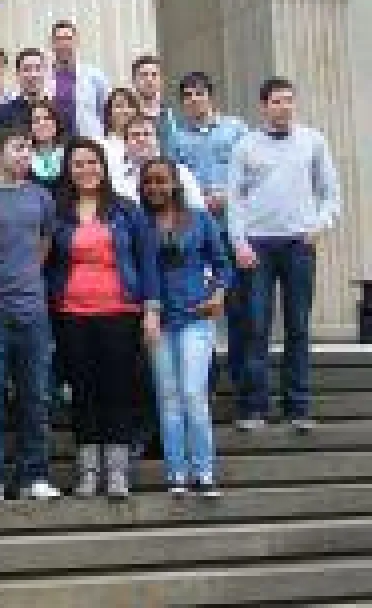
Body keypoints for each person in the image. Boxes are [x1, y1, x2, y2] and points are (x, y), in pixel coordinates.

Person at [47, 137, 159, 501]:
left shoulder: (127, 210)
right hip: (71, 314)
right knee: (83, 391)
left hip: (119, 312)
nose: (86, 170)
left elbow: (147, 262)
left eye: (92, 162)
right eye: (77, 164)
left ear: (103, 166)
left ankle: (116, 471)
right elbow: (47, 262)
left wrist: (151, 310)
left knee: (117, 391)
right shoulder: (56, 213)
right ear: (68, 170)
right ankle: (88, 470)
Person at [227, 77, 341, 432]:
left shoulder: (313, 141)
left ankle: (298, 407)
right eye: (277, 101)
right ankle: (254, 407)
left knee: (298, 327)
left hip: (298, 244)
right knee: (255, 326)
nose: (284, 107)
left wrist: (320, 224)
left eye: (289, 100)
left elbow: (330, 192)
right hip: (257, 245)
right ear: (263, 106)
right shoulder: (245, 145)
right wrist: (240, 243)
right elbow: (234, 199)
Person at [0, 127, 61, 503]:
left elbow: (44, 243)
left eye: (28, 148)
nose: (26, 154)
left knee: (36, 394)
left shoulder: (41, 196)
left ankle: (34, 473)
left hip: (33, 309)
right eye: (18, 148)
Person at [139, 158, 231, 497]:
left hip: (196, 313)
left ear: (176, 183)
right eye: (149, 182)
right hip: (158, 317)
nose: (155, 188)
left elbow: (222, 262)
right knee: (168, 396)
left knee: (193, 393)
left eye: (162, 181)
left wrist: (218, 294)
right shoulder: (139, 223)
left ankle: (203, 471)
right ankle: (176, 473)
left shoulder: (201, 219)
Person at [169, 71, 249, 391]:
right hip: (198, 236)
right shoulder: (177, 138)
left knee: (239, 308)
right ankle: (209, 379)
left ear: (210, 96)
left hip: (233, 230)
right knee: (202, 306)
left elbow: (250, 174)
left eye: (199, 93)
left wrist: (226, 196)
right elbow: (172, 181)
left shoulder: (236, 129)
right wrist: (198, 200)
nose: (193, 100)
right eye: (187, 95)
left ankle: (241, 379)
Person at [114, 115, 206, 209]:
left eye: (147, 134)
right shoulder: (115, 177)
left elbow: (198, 210)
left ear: (157, 140)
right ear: (125, 143)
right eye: (135, 135)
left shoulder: (180, 173)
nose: (141, 139)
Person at [48, 20, 109, 138]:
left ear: (76, 42)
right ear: (52, 44)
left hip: (89, 143)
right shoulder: (44, 78)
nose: (64, 43)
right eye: (59, 39)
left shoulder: (95, 77)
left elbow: (106, 114)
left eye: (68, 38)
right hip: (56, 147)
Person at [0, 48, 48, 132]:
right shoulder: (1, 114)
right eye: (26, 69)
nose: (33, 75)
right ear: (17, 74)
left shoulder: (57, 111)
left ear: (45, 72)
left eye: (38, 68)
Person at [131, 55, 176, 151]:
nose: (149, 79)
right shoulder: (128, 115)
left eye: (154, 75)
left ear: (161, 81)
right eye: (144, 75)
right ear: (134, 80)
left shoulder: (174, 115)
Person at [101, 86, 142, 172]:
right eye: (119, 106)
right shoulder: (100, 146)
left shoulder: (147, 143)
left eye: (130, 106)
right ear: (109, 113)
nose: (125, 111)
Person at [28, 99, 66, 192]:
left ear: (56, 122)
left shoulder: (70, 152)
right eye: (36, 120)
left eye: (47, 118)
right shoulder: (24, 157)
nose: (42, 124)